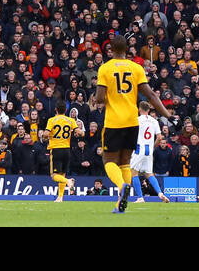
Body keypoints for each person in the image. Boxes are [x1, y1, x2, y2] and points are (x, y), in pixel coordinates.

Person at [90, 35, 173, 214]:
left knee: (109, 161)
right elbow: (151, 95)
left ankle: (122, 187)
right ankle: (121, 202)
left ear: (110, 49)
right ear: (127, 50)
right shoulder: (136, 68)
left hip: (113, 122)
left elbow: (99, 99)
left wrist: (103, 95)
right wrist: (167, 114)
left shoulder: (105, 68)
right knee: (126, 162)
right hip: (131, 121)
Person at [130, 102, 169, 203]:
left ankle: (140, 197)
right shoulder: (154, 121)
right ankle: (160, 193)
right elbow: (160, 137)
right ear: (148, 110)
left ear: (139, 109)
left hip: (139, 148)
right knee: (149, 173)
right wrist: (153, 146)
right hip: (149, 150)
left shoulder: (137, 120)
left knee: (134, 172)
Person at [45, 101, 79, 202]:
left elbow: (46, 134)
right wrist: (79, 133)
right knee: (62, 173)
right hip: (66, 149)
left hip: (56, 149)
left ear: (56, 109)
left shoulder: (52, 120)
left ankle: (68, 182)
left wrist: (45, 135)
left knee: (54, 175)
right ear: (66, 110)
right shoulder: (70, 120)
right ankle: (60, 197)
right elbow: (79, 132)